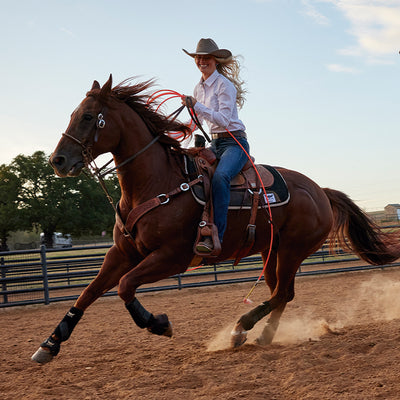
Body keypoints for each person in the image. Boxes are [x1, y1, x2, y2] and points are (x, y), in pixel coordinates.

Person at [182, 38, 250, 253]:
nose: (201, 61)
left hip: (235, 143)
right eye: (198, 58)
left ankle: (216, 236)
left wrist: (197, 106)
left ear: (215, 60)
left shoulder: (224, 85)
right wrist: (172, 131)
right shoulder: (198, 87)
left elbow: (222, 119)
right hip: (215, 143)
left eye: (206, 58)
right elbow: (195, 122)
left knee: (220, 177)